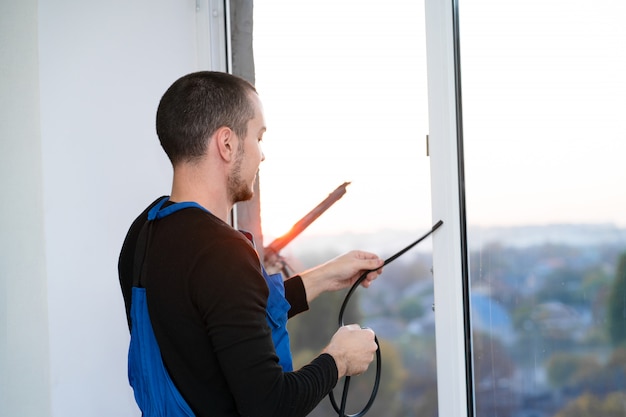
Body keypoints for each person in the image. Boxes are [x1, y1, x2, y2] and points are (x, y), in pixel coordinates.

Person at [118, 71, 384, 417]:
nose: (262, 156)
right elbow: (271, 406)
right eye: (258, 137)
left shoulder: (144, 231)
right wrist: (339, 360)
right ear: (227, 144)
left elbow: (223, 319)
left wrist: (324, 276)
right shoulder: (221, 252)